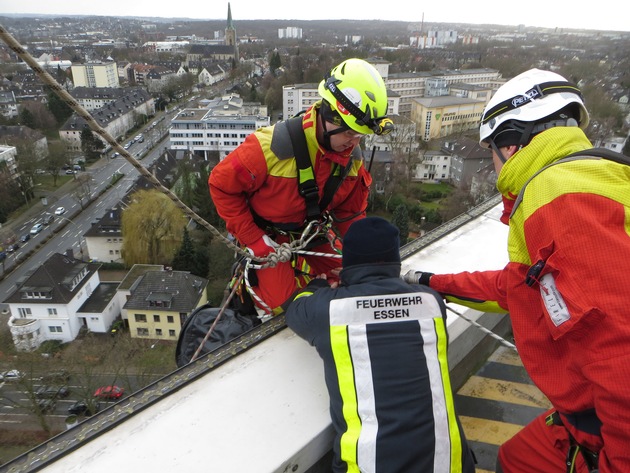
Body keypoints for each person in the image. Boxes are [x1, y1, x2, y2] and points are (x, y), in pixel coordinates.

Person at [404, 68, 630, 473]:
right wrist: (431, 282)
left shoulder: (559, 197)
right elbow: (521, 289)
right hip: (588, 415)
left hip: (608, 429)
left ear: (510, 146)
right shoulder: (602, 175)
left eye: (492, 150)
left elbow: (621, 353)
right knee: (516, 456)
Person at [285, 216, 476, 473]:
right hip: (451, 464)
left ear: (348, 262)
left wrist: (319, 285)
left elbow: (296, 308)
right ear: (395, 260)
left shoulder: (327, 309)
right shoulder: (431, 302)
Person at [209, 58, 393, 315]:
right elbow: (221, 185)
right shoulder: (271, 148)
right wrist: (253, 239)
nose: (353, 142)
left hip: (311, 232)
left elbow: (351, 215)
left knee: (355, 280)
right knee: (286, 307)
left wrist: (362, 258)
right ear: (330, 115)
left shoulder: (351, 160)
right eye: (350, 133)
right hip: (267, 237)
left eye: (359, 135)